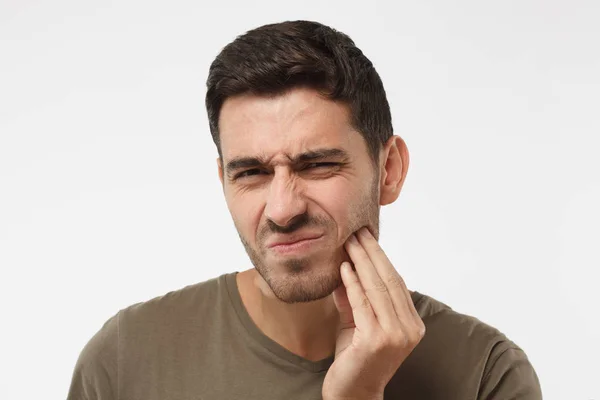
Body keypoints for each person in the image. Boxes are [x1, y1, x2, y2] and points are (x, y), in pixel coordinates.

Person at [67, 20, 542, 400]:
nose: (282, 209)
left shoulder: (486, 373)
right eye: (250, 172)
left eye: (316, 165)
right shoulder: (124, 359)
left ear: (390, 169)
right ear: (224, 182)